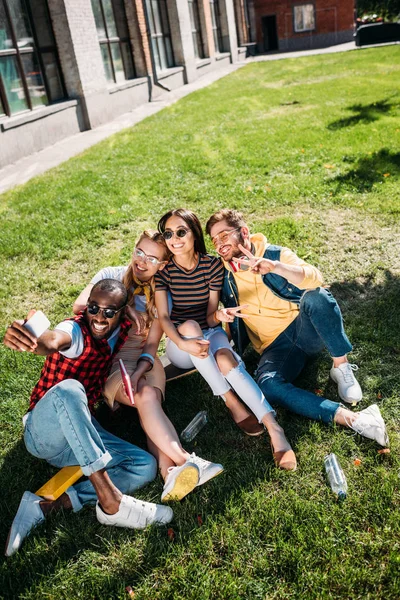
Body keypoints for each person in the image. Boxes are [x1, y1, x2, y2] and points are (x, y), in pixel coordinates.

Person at [3, 279, 173, 557]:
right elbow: (53, 340)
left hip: (79, 432)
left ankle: (46, 507)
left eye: (109, 311)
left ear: (121, 312)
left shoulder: (124, 325)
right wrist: (33, 340)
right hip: (44, 433)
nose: (99, 317)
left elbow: (124, 293)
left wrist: (128, 310)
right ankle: (111, 501)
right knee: (71, 388)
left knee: (144, 466)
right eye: (94, 308)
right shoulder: (76, 330)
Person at [205, 209, 389, 447]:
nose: (220, 244)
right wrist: (221, 315)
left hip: (303, 329)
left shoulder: (275, 254)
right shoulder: (222, 274)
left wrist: (275, 267)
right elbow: (209, 315)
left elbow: (315, 278)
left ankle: (341, 366)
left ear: (244, 232)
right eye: (215, 240)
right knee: (268, 385)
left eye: (224, 235)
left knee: (316, 297)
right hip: (274, 348)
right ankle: (354, 418)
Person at [73, 230, 223, 502]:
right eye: (139, 252)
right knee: (146, 397)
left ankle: (169, 474)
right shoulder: (112, 275)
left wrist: (142, 368)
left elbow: (152, 344)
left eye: (152, 258)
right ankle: (188, 461)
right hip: (111, 361)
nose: (142, 261)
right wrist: (125, 307)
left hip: (143, 357)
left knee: (148, 396)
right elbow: (80, 305)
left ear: (164, 265)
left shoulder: (164, 293)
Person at [155, 208, 297, 471]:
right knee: (188, 325)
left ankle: (274, 428)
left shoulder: (211, 265)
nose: (174, 238)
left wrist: (220, 313)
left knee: (224, 358)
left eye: (181, 231)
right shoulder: (164, 273)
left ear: (194, 234)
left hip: (209, 333)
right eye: (168, 233)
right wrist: (184, 342)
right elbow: (164, 318)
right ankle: (231, 401)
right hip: (179, 345)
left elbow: (210, 317)